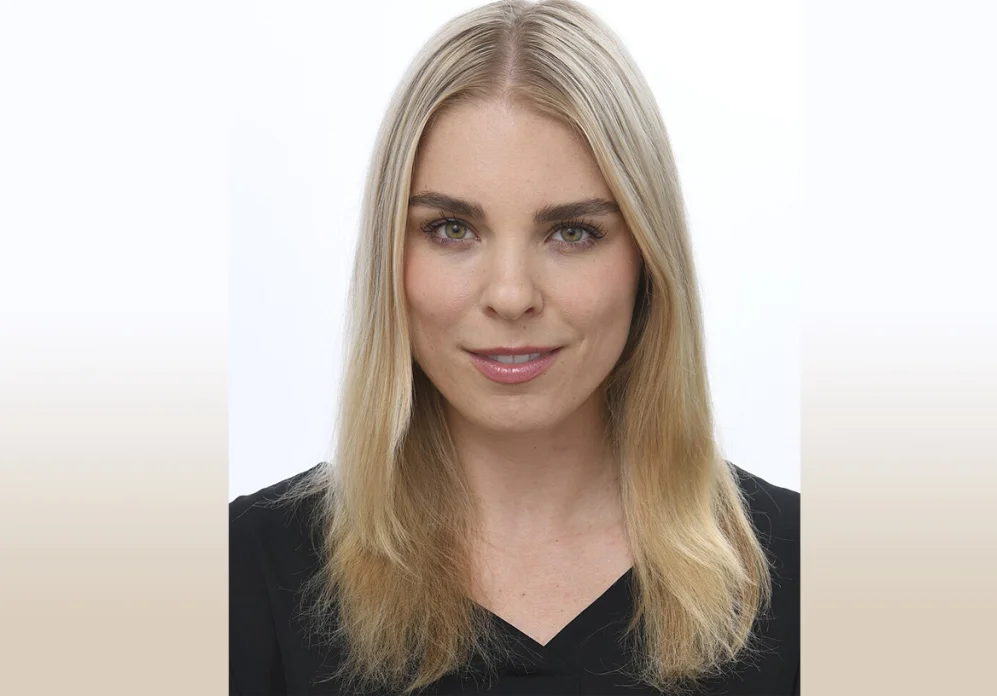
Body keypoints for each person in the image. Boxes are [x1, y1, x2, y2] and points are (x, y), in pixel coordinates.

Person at [230, 0, 799, 694]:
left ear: (648, 260)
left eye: (572, 233)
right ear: (389, 256)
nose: (510, 294)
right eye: (451, 229)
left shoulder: (807, 575)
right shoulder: (244, 571)